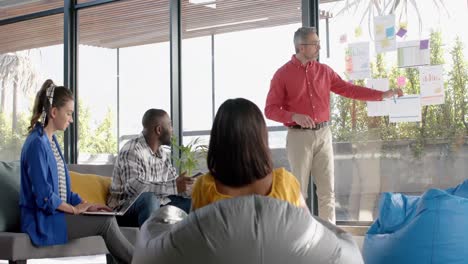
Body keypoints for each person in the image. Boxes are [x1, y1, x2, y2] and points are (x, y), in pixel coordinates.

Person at [264, 27, 403, 223]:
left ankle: (331, 237)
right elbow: (270, 109)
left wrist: (381, 95)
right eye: (315, 44)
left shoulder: (324, 71)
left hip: (324, 134)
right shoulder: (282, 75)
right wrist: (293, 116)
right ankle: (297, 237)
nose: (319, 47)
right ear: (301, 47)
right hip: (298, 137)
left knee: (327, 192)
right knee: (298, 192)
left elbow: (349, 90)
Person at [20, 79, 133, 263]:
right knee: (105, 224)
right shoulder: (36, 144)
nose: (72, 120)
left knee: (107, 217)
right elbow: (45, 196)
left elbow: (64, 192)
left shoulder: (52, 143)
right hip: (41, 221)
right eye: (69, 114)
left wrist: (89, 206)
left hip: (55, 214)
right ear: (54, 112)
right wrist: (73, 210)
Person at [191, 98, 308, 211]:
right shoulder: (284, 184)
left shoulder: (204, 188)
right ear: (261, 138)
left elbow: (195, 229)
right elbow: (308, 228)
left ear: (217, 140)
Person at [107, 109, 194, 227]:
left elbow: (173, 184)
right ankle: (150, 244)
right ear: (159, 130)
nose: (172, 130)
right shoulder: (132, 149)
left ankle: (184, 244)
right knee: (149, 199)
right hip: (124, 209)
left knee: (192, 204)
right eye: (169, 125)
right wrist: (174, 186)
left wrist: (191, 187)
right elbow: (134, 187)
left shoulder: (162, 153)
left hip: (157, 204)